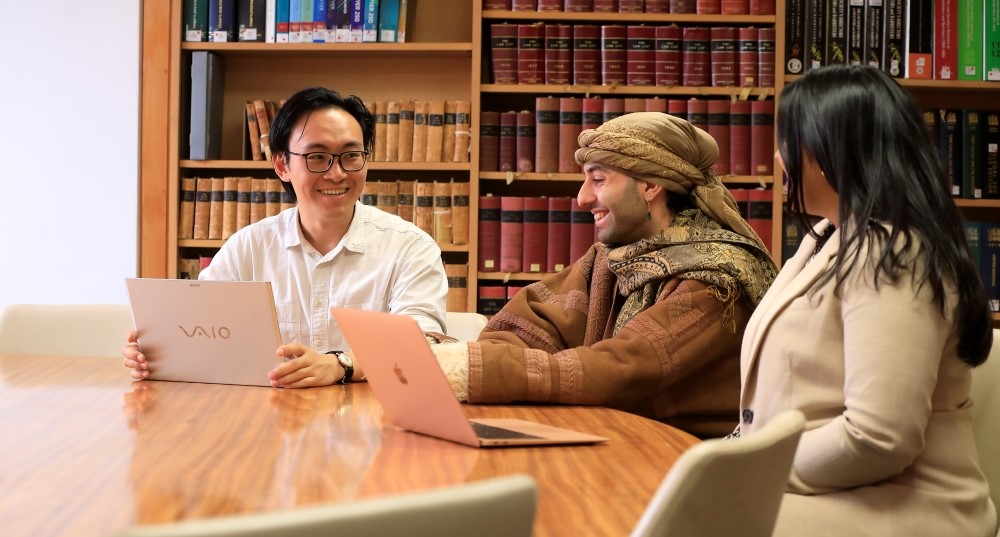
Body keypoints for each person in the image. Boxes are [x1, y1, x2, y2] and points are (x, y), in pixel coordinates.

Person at [737, 65, 996, 536]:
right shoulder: (824, 239)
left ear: (835, 148)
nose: (778, 159)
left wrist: (750, 473)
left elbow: (878, 438)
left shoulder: (892, 249)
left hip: (901, 511)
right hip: (832, 495)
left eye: (790, 141)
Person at [432, 112, 778, 438]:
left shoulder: (717, 278)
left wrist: (478, 370)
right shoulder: (610, 259)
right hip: (619, 444)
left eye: (598, 179)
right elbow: (529, 325)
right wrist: (466, 361)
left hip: (683, 468)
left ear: (650, 187)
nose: (582, 198)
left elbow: (623, 369)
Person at [122, 87, 448, 388]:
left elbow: (426, 345)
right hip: (269, 429)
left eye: (351, 155)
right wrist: (156, 353)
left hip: (371, 428)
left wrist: (342, 364)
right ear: (282, 165)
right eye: (317, 157)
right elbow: (197, 330)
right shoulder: (248, 248)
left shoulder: (410, 248)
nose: (337, 173)